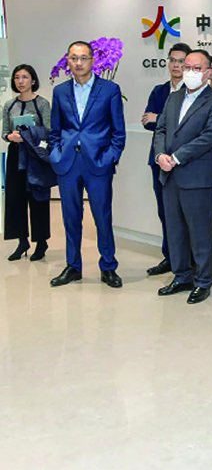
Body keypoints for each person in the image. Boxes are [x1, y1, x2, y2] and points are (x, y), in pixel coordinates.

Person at [49, 41, 126, 287]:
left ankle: (108, 266)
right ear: (68, 61)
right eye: (74, 58)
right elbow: (55, 130)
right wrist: (55, 155)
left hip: (99, 163)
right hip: (68, 164)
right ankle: (73, 266)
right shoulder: (60, 91)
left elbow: (118, 131)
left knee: (102, 217)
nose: (79, 63)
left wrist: (110, 157)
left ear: (93, 60)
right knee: (70, 218)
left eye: (83, 58)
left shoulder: (110, 89)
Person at [154, 49, 212, 303]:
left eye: (197, 68)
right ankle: (182, 276)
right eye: (187, 67)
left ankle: (203, 281)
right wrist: (160, 155)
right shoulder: (174, 97)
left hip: (197, 177)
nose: (190, 72)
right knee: (175, 230)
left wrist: (176, 157)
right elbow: (161, 129)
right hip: (169, 176)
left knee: (200, 232)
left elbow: (208, 137)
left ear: (208, 72)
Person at [141, 42, 191, 275]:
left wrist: (159, 118)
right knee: (165, 211)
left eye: (181, 61)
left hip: (184, 161)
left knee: (185, 214)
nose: (176, 65)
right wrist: (162, 121)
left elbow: (187, 125)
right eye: (172, 60)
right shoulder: (159, 91)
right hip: (158, 161)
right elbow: (147, 122)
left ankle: (187, 261)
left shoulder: (194, 91)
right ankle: (169, 257)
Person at [2, 64, 52, 261]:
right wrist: (10, 136)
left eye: (24, 77)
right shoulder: (9, 105)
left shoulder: (42, 103)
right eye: (16, 77)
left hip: (35, 155)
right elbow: (4, 132)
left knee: (38, 197)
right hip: (15, 155)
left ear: (33, 80)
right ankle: (22, 241)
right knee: (15, 198)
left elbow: (49, 130)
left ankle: (41, 242)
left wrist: (29, 135)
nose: (20, 81)